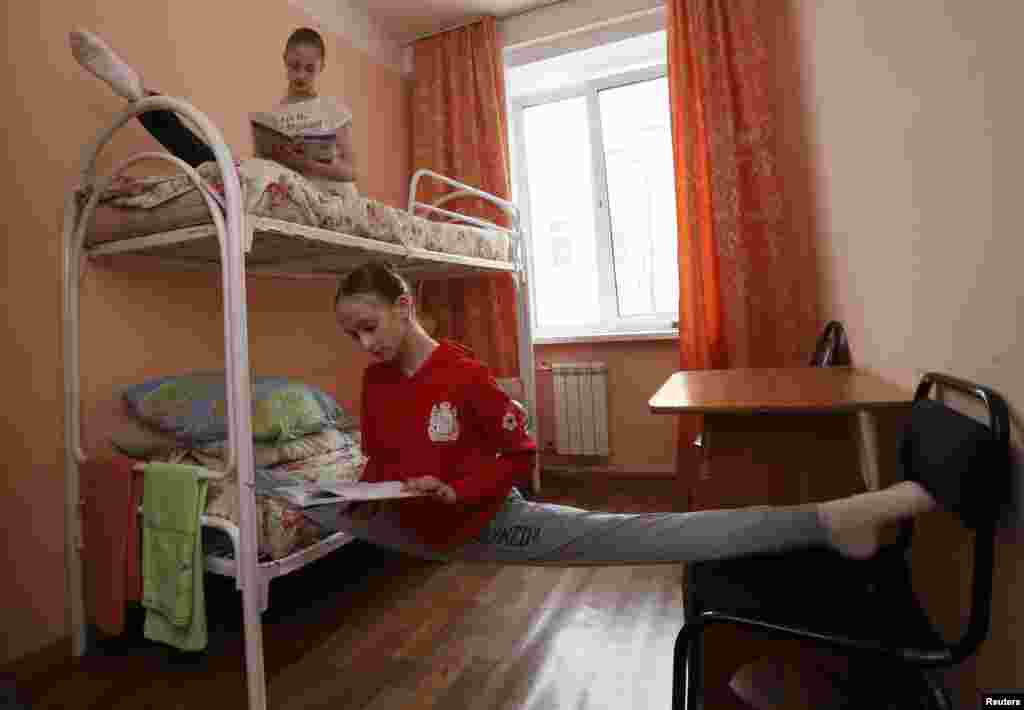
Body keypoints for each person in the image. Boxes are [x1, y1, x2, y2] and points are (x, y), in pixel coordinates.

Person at [322, 259, 939, 566]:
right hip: (415, 524)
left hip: (480, 522)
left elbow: (518, 456)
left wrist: (456, 492)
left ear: (404, 305)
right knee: (304, 499)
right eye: (352, 336)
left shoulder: (465, 376)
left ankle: (832, 519)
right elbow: (381, 458)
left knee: (637, 536)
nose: (366, 345)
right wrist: (365, 493)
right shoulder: (376, 383)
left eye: (370, 327)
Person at [68, 27, 357, 195]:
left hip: (307, 189)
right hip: (271, 177)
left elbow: (350, 171)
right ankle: (139, 94)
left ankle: (139, 100)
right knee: (210, 160)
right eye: (295, 66)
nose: (301, 75)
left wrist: (310, 165)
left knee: (211, 163)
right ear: (284, 61)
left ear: (322, 67)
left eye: (310, 68)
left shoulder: (333, 110)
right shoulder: (278, 114)